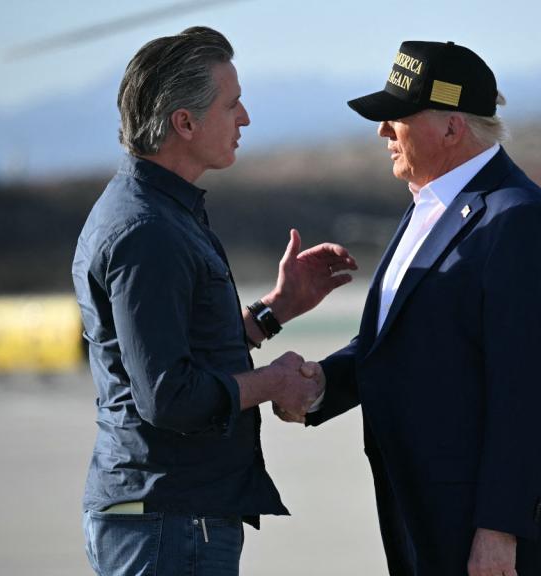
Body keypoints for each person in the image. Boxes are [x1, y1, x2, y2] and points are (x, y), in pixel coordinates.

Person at [282, 40, 541, 576]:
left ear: (452, 128)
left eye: (396, 118)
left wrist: (500, 530)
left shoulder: (516, 219)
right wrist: (320, 388)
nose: (382, 132)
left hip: (489, 535)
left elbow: (526, 387)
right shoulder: (431, 204)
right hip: (427, 518)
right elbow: (401, 342)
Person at [71, 27, 357, 576]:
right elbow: (167, 396)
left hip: (171, 519)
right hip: (167, 524)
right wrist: (273, 382)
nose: (244, 118)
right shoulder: (146, 230)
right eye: (232, 105)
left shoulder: (160, 211)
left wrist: (273, 311)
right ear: (185, 122)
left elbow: (178, 349)